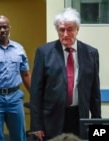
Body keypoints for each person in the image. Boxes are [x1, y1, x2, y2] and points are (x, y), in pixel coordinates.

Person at [30, 7, 101, 141]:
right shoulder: (44, 53)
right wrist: (36, 125)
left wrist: (97, 125)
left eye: (70, 29)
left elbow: (94, 92)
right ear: (57, 30)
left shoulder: (91, 53)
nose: (65, 34)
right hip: (52, 118)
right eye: (62, 30)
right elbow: (36, 92)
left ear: (77, 29)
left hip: (79, 116)